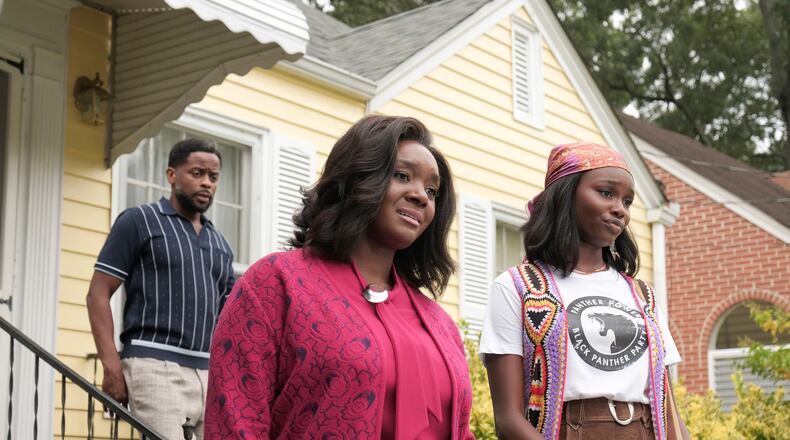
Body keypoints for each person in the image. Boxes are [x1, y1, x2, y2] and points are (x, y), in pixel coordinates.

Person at [204, 115, 474, 439]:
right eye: (402, 175)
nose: (421, 196)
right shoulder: (276, 283)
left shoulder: (440, 325)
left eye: (432, 190)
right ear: (358, 176)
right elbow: (236, 422)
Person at [480, 142, 689, 439]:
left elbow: (670, 414)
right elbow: (508, 420)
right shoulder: (517, 287)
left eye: (627, 201)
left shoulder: (643, 296)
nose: (619, 209)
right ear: (565, 196)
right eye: (606, 193)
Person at [86, 138, 236, 439]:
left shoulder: (221, 243)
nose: (206, 182)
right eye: (197, 173)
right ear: (172, 175)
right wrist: (111, 365)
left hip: (210, 372)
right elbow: (98, 294)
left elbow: (230, 315)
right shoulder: (139, 221)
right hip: (153, 364)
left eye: (213, 177)